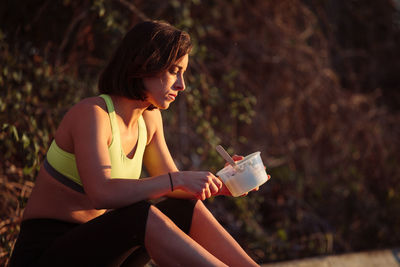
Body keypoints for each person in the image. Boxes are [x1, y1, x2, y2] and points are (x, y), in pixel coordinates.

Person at [9, 20, 264, 267]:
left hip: (101, 252)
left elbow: (175, 186)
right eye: (174, 71)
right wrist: (177, 180)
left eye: (183, 73)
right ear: (146, 64)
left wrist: (225, 183)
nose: (182, 85)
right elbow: (102, 194)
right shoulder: (92, 114)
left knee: (182, 207)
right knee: (138, 216)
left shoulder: (150, 119)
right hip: (45, 254)